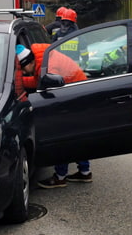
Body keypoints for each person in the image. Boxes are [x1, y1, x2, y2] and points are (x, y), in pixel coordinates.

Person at [15, 44, 92, 188]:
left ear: (28, 63)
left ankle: (60, 177)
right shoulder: (41, 61)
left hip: (74, 96)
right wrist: (19, 82)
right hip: (76, 93)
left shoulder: (49, 67)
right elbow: (37, 80)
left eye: (22, 69)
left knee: (62, 136)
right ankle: (85, 172)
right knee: (76, 136)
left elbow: (50, 90)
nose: (24, 73)